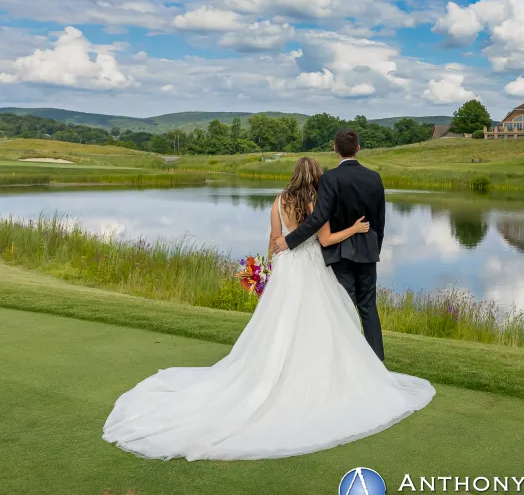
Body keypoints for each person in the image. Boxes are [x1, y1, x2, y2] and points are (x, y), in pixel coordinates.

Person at [102, 156, 435, 461]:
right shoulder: (318, 200)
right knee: (322, 324)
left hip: (286, 270)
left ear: (293, 175)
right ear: (317, 176)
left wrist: (266, 272)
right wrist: (355, 229)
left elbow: (275, 241)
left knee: (281, 324)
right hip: (312, 269)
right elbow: (325, 240)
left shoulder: (278, 200)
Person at [272, 128, 386, 359]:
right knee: (368, 308)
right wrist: (375, 248)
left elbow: (318, 218)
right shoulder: (375, 178)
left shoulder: (330, 178)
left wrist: (289, 241)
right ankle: (376, 361)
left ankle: (345, 359)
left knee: (343, 308)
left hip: (340, 252)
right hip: (367, 252)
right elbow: (379, 221)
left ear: (335, 149)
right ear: (358, 149)